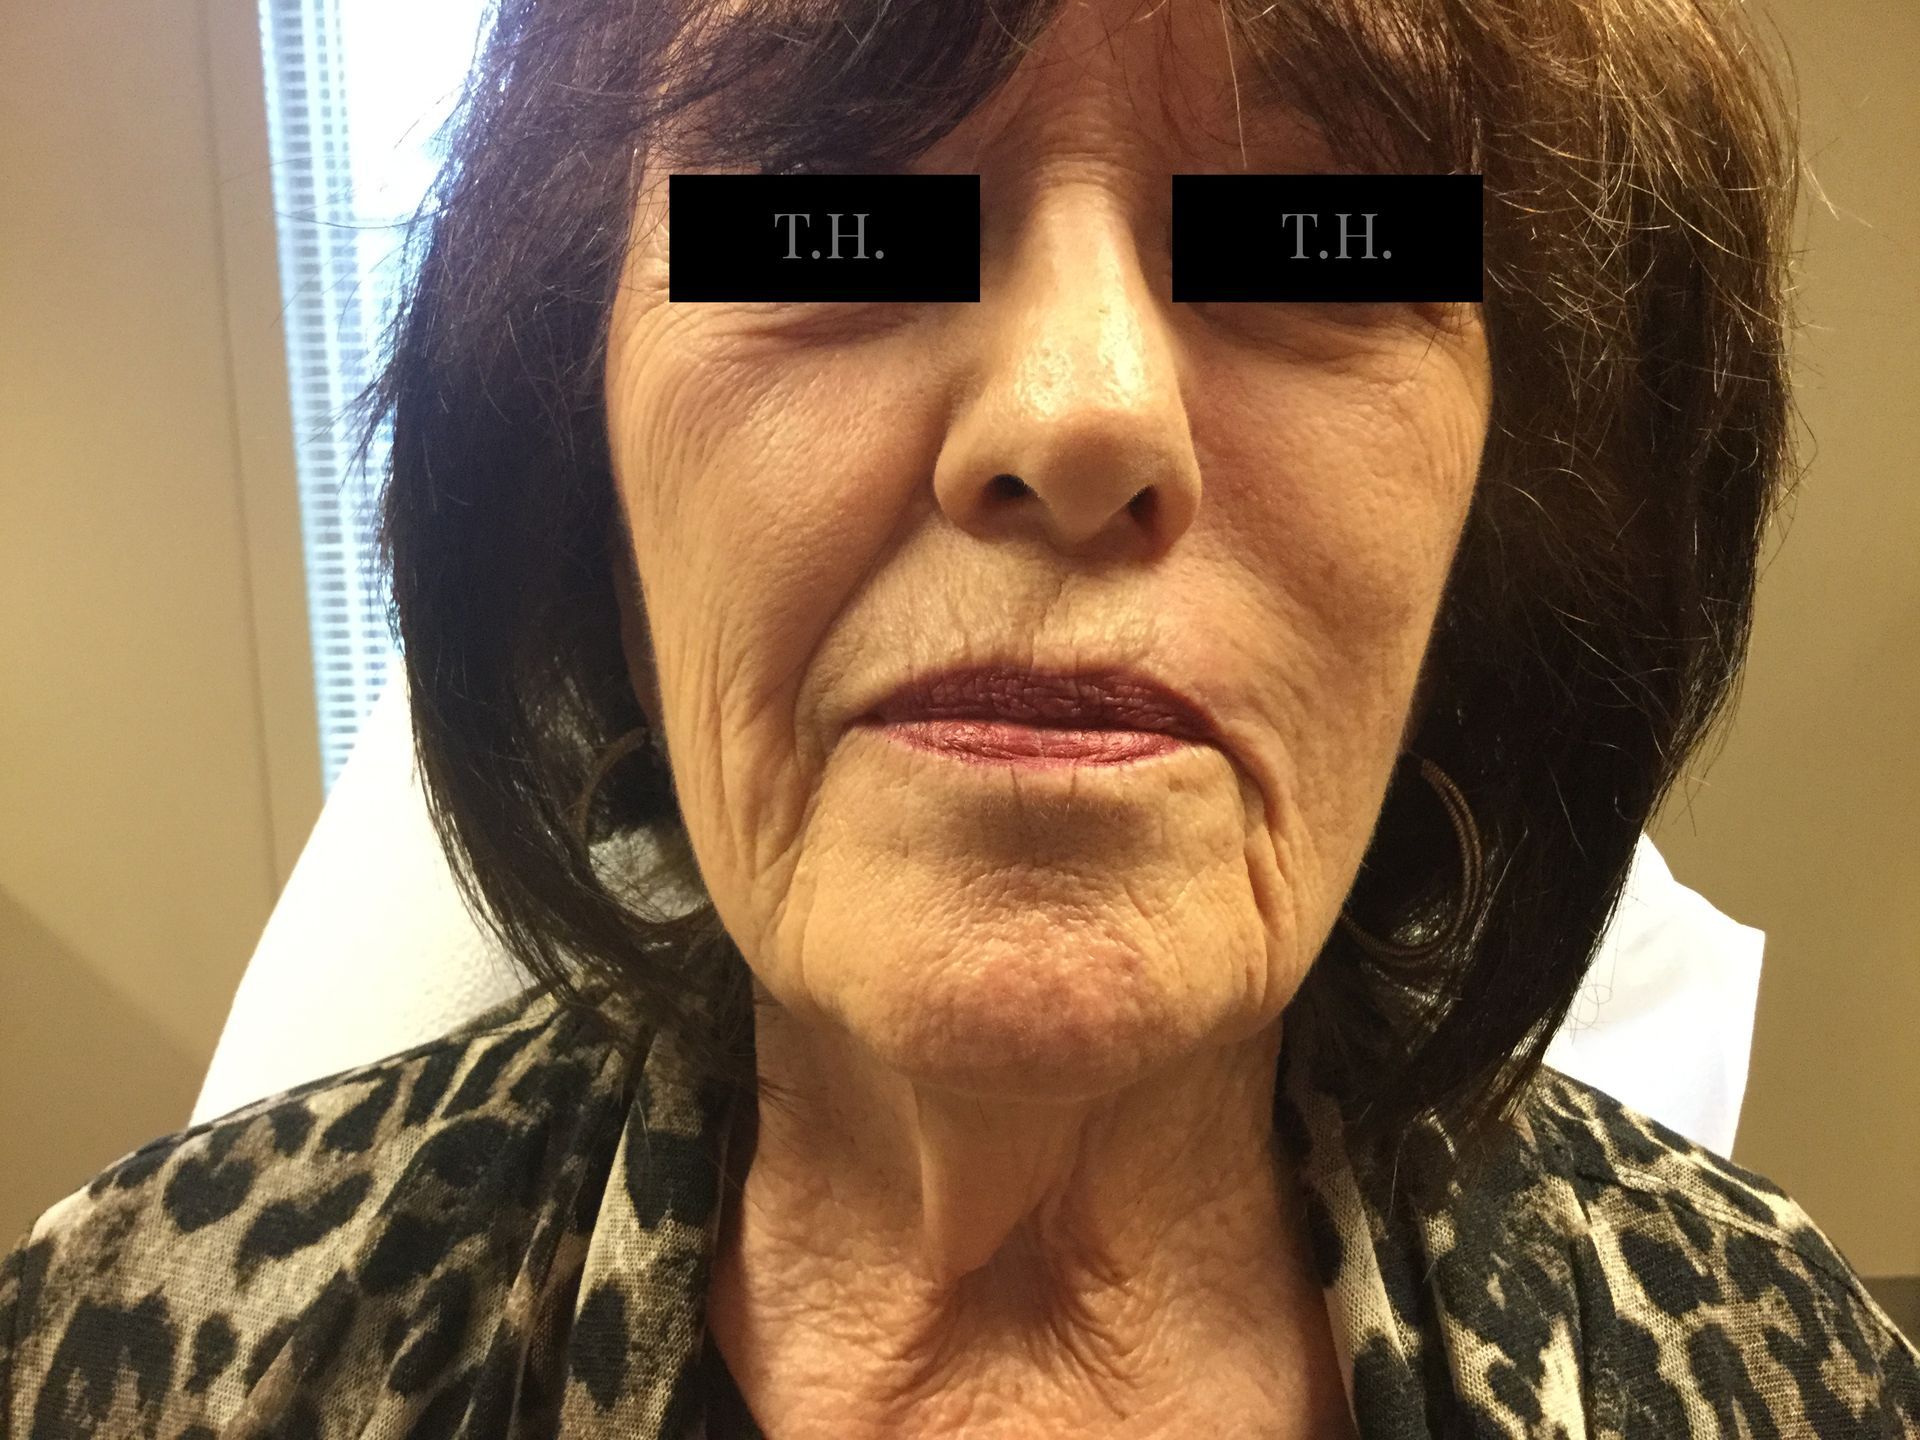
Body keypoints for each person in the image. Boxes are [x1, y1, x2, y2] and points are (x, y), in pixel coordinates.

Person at [5, 0, 1917, 1435]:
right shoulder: (115, 1362)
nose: (1079, 414)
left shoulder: (1794, 1377)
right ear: (589, 491)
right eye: (833, 222)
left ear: (1488, 526)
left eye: (1316, 236)